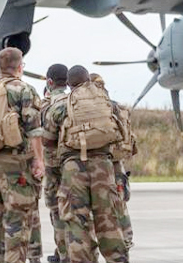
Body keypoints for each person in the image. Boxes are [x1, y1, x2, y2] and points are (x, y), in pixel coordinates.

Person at [50, 65, 128, 263]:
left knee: (77, 222)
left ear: (69, 84)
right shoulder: (107, 102)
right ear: (89, 80)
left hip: (73, 168)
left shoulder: (62, 104)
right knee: (109, 220)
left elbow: (48, 138)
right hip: (104, 166)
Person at [0, 47, 45, 263]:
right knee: (17, 219)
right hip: (14, 162)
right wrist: (38, 160)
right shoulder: (23, 89)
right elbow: (34, 131)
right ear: (19, 66)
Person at [90, 73, 134, 248]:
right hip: (118, 162)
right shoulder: (117, 106)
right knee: (120, 202)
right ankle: (127, 237)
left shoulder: (96, 108)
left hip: (100, 160)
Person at [40, 64, 70, 263]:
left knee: (57, 210)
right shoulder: (75, 100)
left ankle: (63, 253)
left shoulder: (46, 105)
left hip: (53, 165)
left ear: (49, 82)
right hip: (77, 163)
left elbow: (44, 138)